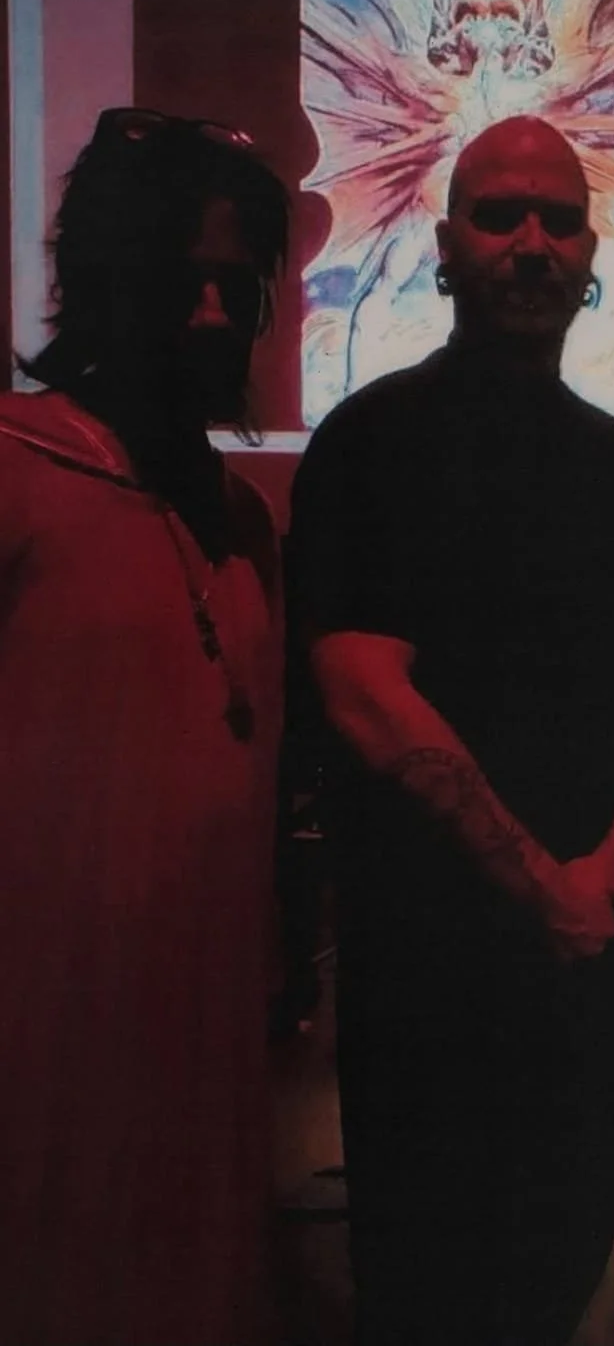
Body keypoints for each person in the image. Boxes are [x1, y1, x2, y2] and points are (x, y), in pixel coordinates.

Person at [289, 114, 614, 1346]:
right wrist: (552, 890)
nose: (531, 241)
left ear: (591, 256)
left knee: (565, 1267)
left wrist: (607, 874)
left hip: (587, 956)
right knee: (426, 1287)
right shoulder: (365, 445)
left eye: (558, 218)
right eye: (498, 214)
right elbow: (365, 693)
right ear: (442, 248)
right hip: (429, 965)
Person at [0, 108, 289, 1344]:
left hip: (201, 1029)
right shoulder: (13, 468)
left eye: (238, 285)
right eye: (184, 282)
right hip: (41, 1035)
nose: (215, 317)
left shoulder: (241, 518)